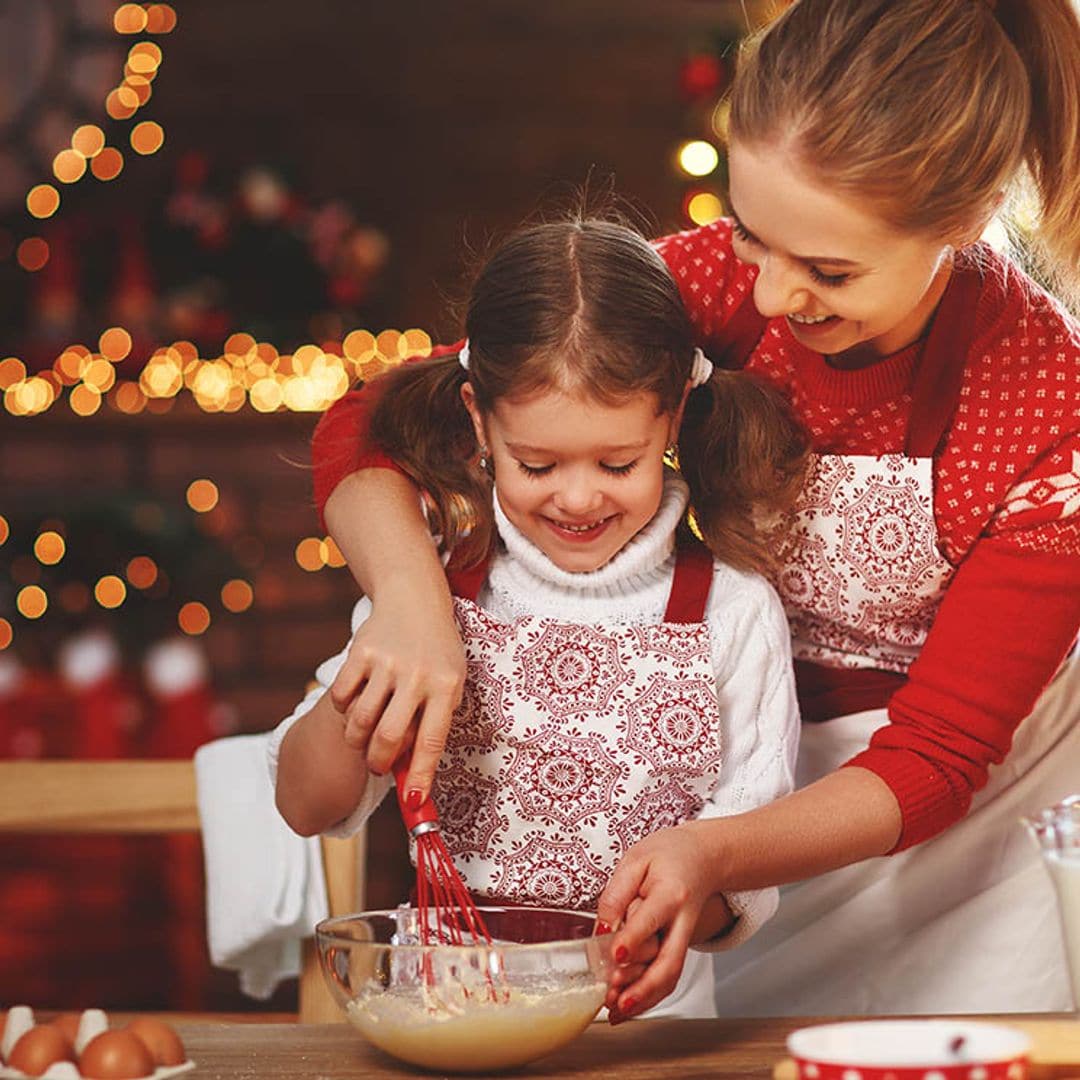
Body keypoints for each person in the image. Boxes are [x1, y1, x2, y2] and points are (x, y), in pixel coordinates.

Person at [305, 0, 1080, 1017]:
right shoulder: (712, 281)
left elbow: (937, 758)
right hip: (729, 842)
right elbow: (369, 423)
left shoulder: (1049, 405)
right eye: (757, 237)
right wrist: (410, 604)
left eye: (829, 271)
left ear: (959, 224)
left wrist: (713, 852)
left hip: (953, 870)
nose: (767, 300)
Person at [271, 217, 810, 1019]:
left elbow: (744, 872)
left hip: (647, 1041)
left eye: (618, 463)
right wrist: (359, 703)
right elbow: (305, 805)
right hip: (451, 1027)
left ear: (672, 419)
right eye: (538, 463)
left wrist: (659, 917)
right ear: (479, 422)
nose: (580, 497)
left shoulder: (731, 614)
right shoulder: (432, 595)